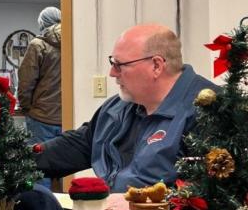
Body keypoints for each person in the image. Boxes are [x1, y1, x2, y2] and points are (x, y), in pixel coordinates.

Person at [35, 24, 215, 194]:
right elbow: (80, 145)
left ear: (156, 65)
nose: (112, 73)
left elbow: (214, 193)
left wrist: (141, 203)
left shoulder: (210, 111)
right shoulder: (117, 108)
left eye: (119, 65)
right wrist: (17, 158)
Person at [17, 6, 62, 188]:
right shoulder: (74, 40)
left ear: (42, 23)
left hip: (42, 116)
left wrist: (26, 107)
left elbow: (26, 80)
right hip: (68, 116)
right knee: (67, 168)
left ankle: (43, 209)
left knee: (38, 166)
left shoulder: (38, 45)